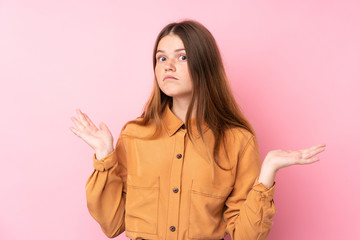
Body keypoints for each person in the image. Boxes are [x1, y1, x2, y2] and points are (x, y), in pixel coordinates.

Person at [69, 19, 326, 240]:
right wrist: (104, 156)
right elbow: (112, 225)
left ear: (205, 65)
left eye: (182, 57)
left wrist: (267, 172)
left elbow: (246, 235)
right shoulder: (135, 135)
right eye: (161, 58)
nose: (168, 66)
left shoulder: (237, 140)